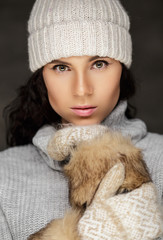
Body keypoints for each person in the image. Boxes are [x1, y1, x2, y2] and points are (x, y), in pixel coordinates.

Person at [0, 0, 163, 239]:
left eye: (99, 64)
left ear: (122, 68)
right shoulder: (4, 174)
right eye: (61, 67)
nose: (82, 89)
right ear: (41, 76)